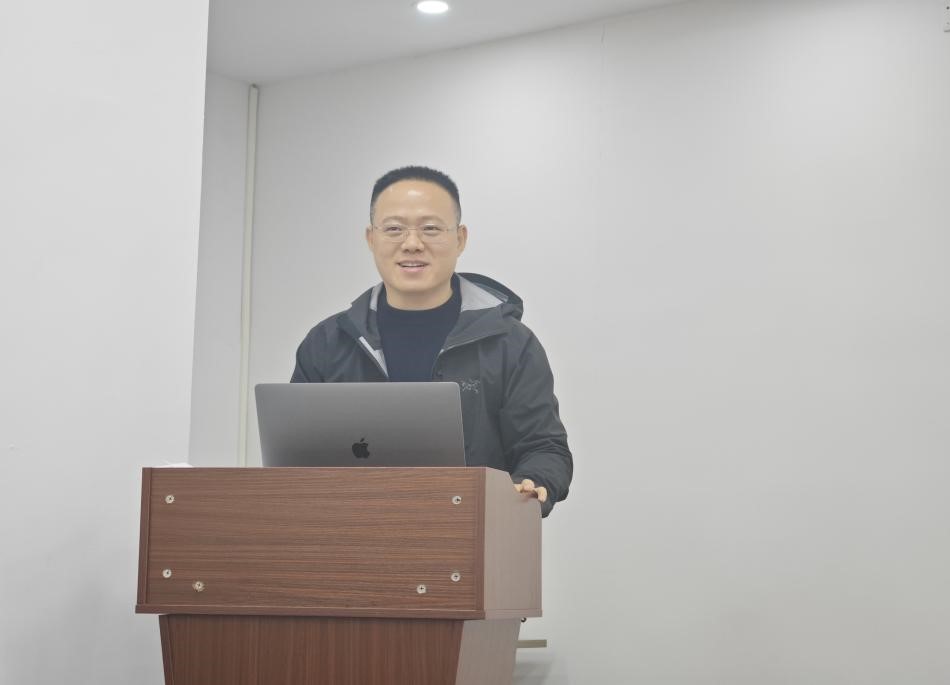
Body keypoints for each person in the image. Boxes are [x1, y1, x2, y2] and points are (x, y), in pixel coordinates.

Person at [290, 166, 572, 516]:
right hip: (349, 535)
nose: (412, 244)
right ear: (371, 238)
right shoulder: (328, 343)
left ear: (460, 239)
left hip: (470, 532)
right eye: (394, 229)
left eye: (431, 229)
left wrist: (532, 482)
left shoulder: (511, 343)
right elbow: (295, 457)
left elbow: (544, 448)